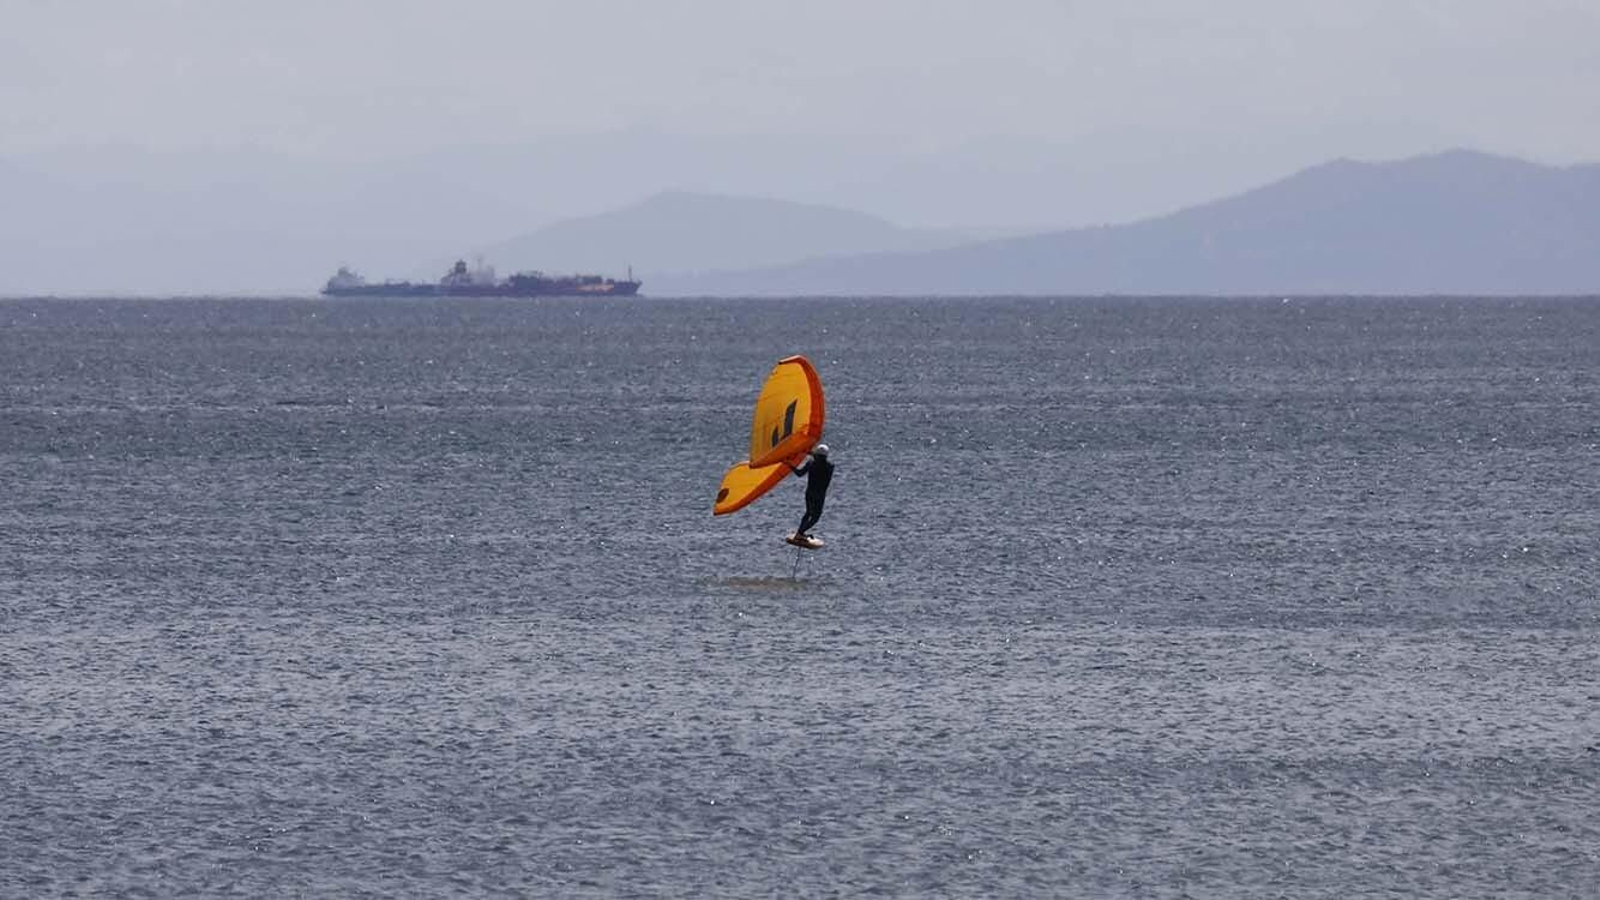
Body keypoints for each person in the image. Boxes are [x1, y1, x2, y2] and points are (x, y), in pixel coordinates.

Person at [788, 444, 833, 539]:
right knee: (815, 517)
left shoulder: (811, 463)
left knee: (808, 512)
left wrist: (789, 465)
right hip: (820, 496)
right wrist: (812, 453)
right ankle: (800, 532)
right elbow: (821, 461)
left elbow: (799, 473)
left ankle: (800, 533)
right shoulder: (830, 467)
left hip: (809, 493)